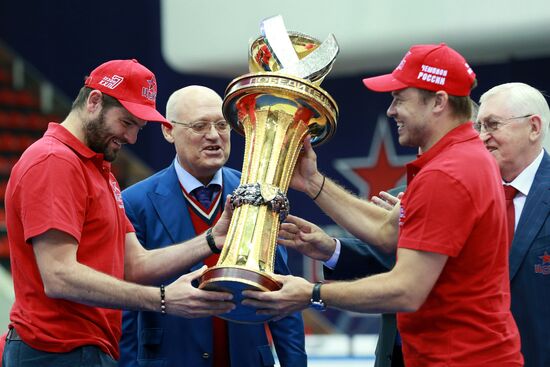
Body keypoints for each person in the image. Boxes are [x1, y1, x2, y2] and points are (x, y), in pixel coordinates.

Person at [243, 43, 524, 366]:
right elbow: (387, 231)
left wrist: (311, 293)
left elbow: (406, 289)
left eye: (399, 99)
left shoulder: (448, 173)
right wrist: (313, 183)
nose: (391, 110)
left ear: (439, 102)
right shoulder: (460, 158)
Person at [2, 59, 235, 367]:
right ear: (94, 101)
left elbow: (134, 264)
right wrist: (163, 300)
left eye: (138, 128)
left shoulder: (98, 169)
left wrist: (210, 239)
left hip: (82, 350)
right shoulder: (54, 162)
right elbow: (59, 276)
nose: (132, 138)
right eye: (126, 123)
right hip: (55, 350)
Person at [118, 85, 307, 367]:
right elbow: (126, 303)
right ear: (168, 131)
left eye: (222, 125)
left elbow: (281, 289)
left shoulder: (258, 192)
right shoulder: (135, 202)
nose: (214, 135)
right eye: (199, 126)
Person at [476, 82, 550, 367]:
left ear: (533, 127)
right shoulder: (468, 192)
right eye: (479, 126)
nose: (483, 137)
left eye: (493, 125)